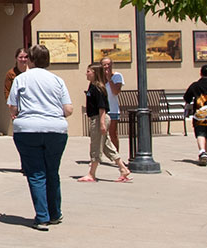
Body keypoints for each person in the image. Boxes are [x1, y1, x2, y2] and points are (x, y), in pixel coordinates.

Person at [7, 44, 74, 230]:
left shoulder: (21, 79)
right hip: (55, 130)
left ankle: (42, 216)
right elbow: (68, 109)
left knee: (36, 173)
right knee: (52, 171)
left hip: (27, 129)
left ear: (31, 59)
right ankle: (55, 213)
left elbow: (13, 107)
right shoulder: (57, 80)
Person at [79, 63, 131, 182]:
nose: (86, 73)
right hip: (96, 118)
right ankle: (123, 168)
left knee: (96, 146)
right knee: (107, 145)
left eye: (88, 71)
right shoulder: (92, 86)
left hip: (99, 118)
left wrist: (102, 123)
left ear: (95, 73)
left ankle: (92, 173)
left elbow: (102, 107)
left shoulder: (98, 87)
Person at [101, 56, 124, 153]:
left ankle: (116, 154)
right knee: (100, 134)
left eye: (108, 64)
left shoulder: (117, 76)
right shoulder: (99, 78)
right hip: (102, 109)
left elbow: (115, 91)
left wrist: (109, 79)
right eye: (104, 65)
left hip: (113, 109)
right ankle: (97, 157)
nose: (107, 66)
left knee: (113, 133)